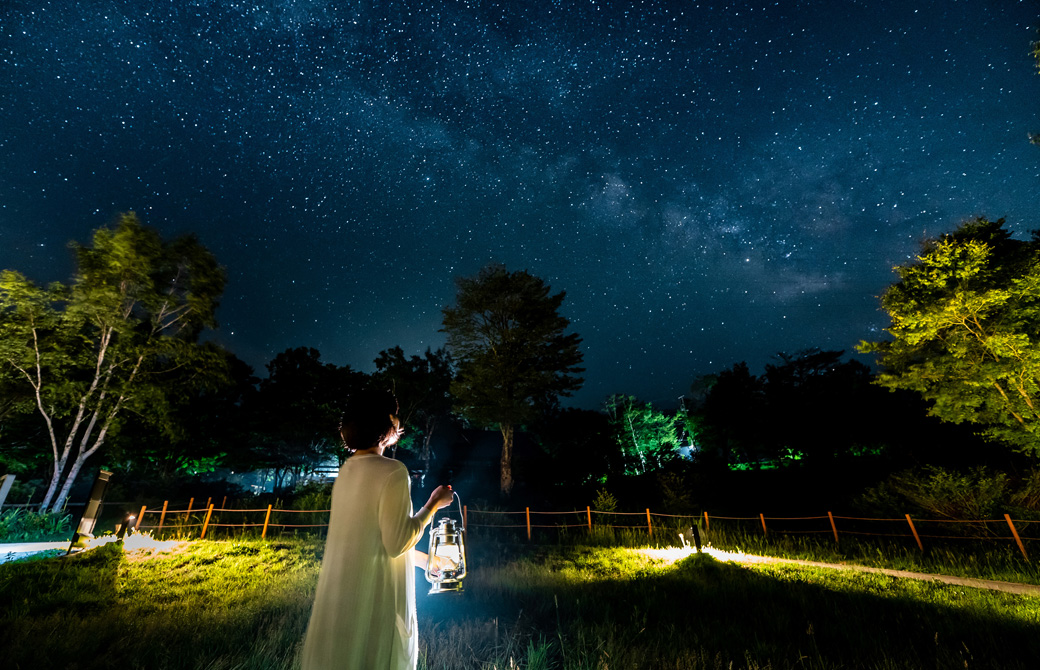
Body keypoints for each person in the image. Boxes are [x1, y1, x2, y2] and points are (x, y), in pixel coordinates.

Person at [300, 388, 455, 670]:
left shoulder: (347, 471)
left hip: (343, 603)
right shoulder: (393, 471)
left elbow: (370, 540)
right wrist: (432, 505)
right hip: (376, 605)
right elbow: (397, 542)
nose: (399, 422)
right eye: (395, 415)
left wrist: (426, 562)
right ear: (387, 421)